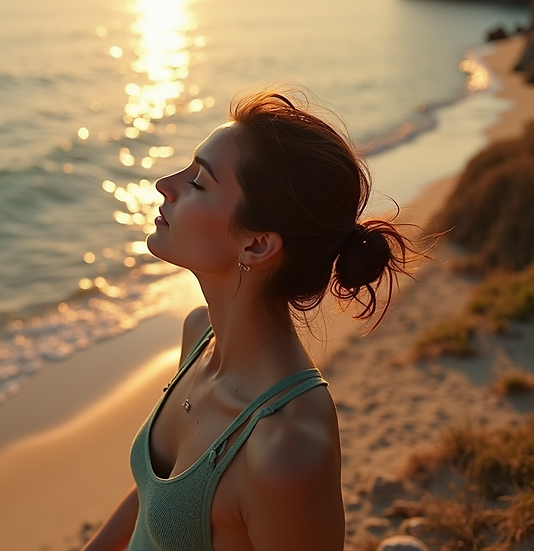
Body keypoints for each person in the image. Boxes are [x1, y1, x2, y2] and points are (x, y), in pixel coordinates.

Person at [81, 89, 421, 551]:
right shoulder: (200, 334)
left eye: (199, 182)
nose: (165, 183)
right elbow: (153, 501)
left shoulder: (288, 446)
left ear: (257, 245)